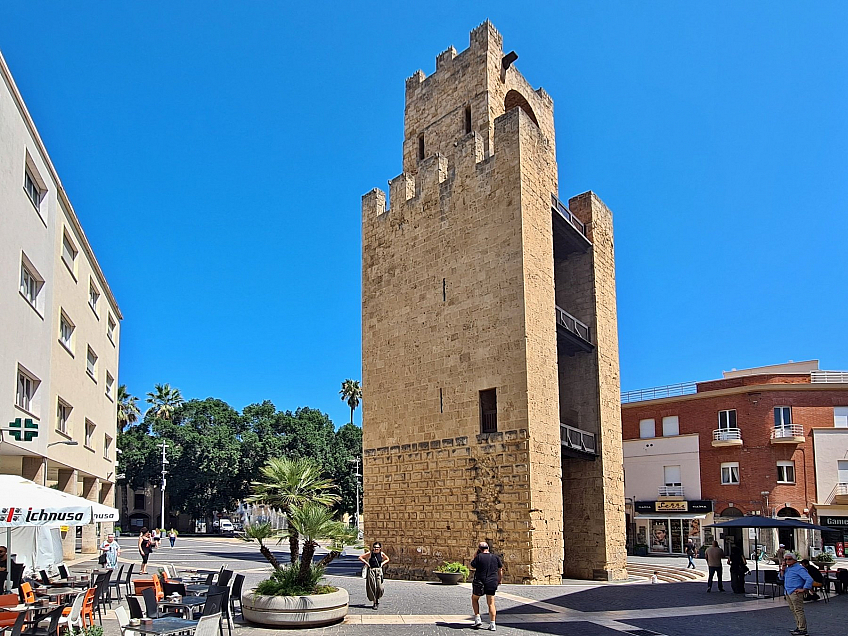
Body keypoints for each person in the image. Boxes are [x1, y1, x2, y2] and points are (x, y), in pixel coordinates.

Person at [471, 542, 503, 632]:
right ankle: (492, 624)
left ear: (479, 549)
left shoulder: (479, 557)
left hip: (480, 582)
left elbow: (473, 566)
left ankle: (477, 618)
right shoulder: (495, 557)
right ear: (488, 548)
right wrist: (499, 580)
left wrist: (475, 555)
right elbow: (500, 569)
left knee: (475, 599)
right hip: (492, 582)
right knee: (491, 603)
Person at [779, 552, 813, 636]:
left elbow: (809, 579)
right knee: (794, 610)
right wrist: (782, 569)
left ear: (794, 560)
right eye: (785, 559)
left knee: (798, 610)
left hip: (795, 592)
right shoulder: (788, 568)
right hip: (788, 591)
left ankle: (802, 629)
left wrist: (804, 589)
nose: (787, 561)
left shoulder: (799, 569)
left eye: (789, 559)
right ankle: (799, 626)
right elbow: (781, 578)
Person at [358, 542, 389, 609]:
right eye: (375, 547)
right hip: (371, 570)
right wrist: (367, 563)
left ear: (380, 548)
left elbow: (387, 559)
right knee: (372, 586)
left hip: (378, 571)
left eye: (377, 548)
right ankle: (375, 602)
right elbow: (360, 557)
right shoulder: (370, 553)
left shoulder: (381, 554)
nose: (376, 549)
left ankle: (377, 598)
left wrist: (382, 564)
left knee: (380, 587)